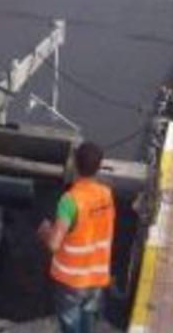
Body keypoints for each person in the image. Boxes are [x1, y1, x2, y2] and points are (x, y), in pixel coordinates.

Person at [38, 141, 115, 333]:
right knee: (88, 319)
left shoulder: (70, 201)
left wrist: (45, 230)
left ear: (74, 164)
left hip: (71, 280)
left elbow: (54, 244)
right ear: (98, 167)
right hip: (96, 275)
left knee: (71, 324)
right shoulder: (106, 195)